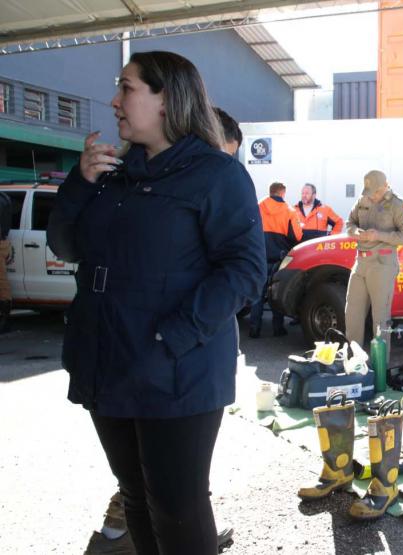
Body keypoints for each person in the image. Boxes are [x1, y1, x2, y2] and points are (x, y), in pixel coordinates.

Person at [47, 50, 266, 555]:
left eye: (126, 88)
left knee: (178, 504)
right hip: (109, 361)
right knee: (137, 499)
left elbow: (244, 270)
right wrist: (80, 182)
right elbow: (66, 245)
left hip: (176, 370)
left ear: (166, 99)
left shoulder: (216, 175)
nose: (114, 101)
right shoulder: (114, 174)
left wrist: (174, 335)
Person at [344, 170, 403, 355]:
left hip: (382, 264)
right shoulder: (363, 199)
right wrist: (356, 232)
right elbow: (349, 223)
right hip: (360, 263)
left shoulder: (399, 205)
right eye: (370, 192)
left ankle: (380, 370)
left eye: (376, 191)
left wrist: (379, 235)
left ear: (385, 186)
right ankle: (353, 366)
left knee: (380, 320)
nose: (372, 196)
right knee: (352, 316)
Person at [250, 182, 301, 338]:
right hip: (279, 258)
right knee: (276, 293)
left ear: (270, 191)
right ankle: (278, 329)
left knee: (258, 294)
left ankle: (254, 329)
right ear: (282, 193)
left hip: (259, 257)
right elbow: (297, 236)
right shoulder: (289, 211)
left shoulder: (257, 206)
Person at [0, 190, 12, 333]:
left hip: (1, 243)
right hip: (4, 242)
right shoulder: (4, 198)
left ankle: (4, 319)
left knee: (2, 282)